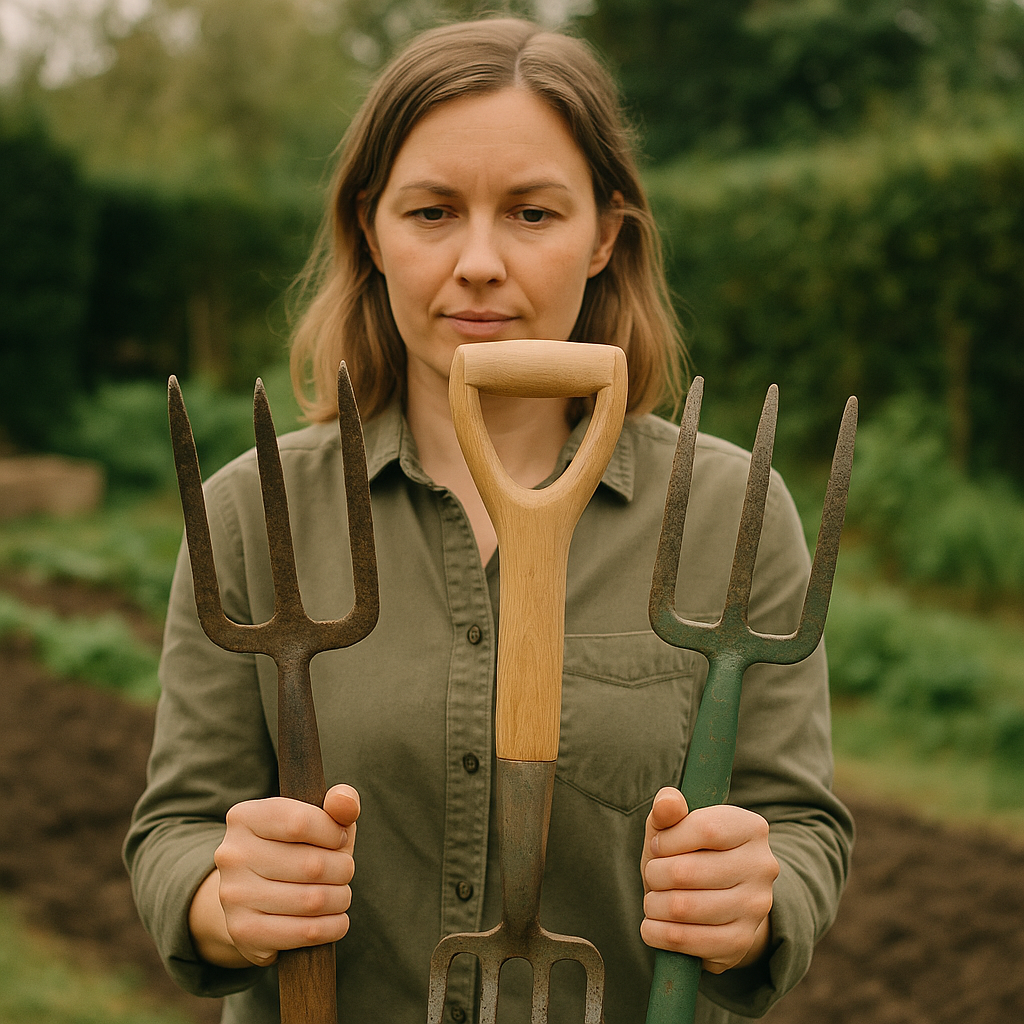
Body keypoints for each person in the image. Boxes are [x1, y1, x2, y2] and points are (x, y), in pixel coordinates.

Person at [125, 17, 853, 1024]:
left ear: (605, 232)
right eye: (430, 212)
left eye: (531, 213)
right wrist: (221, 900)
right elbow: (175, 824)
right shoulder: (258, 514)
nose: (477, 261)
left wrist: (760, 899)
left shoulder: (729, 516)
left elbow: (798, 821)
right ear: (368, 231)